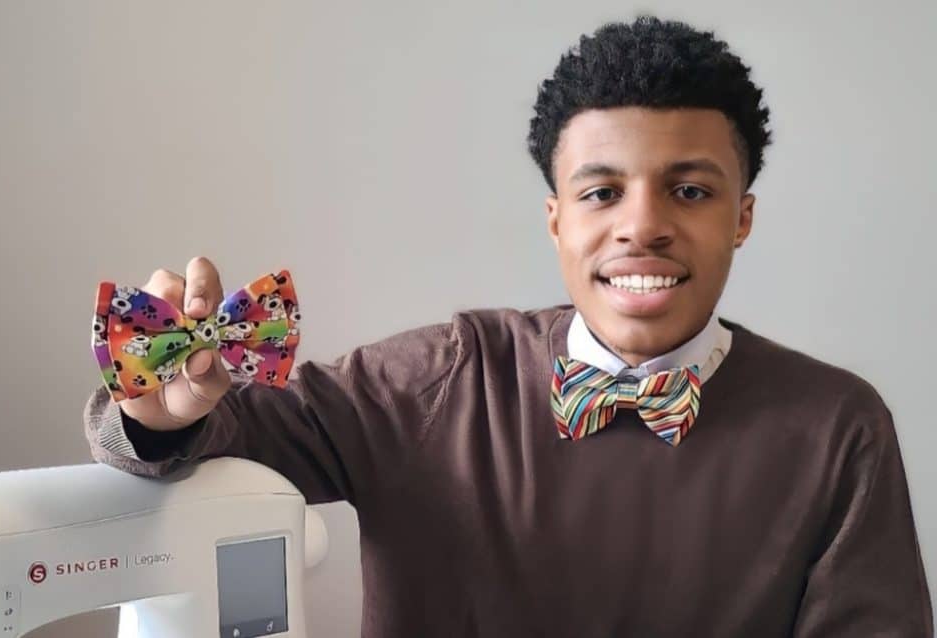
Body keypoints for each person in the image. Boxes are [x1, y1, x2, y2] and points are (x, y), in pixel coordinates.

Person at [84, 14, 932, 637]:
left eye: (691, 190)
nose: (642, 225)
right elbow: (215, 438)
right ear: (556, 218)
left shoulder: (838, 426)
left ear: (742, 217)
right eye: (602, 193)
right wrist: (162, 408)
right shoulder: (438, 378)